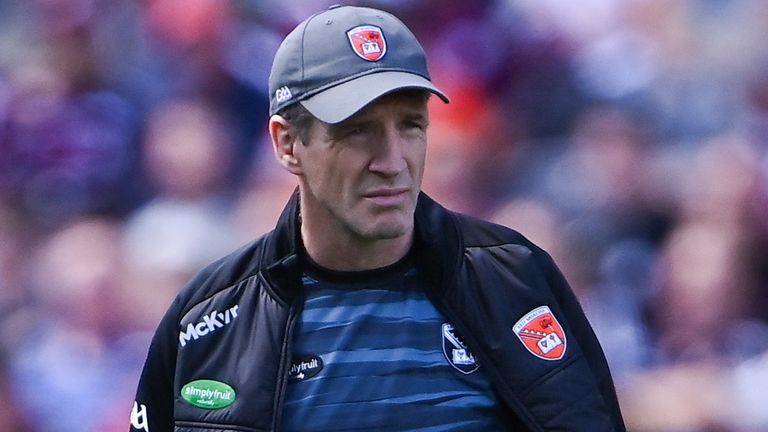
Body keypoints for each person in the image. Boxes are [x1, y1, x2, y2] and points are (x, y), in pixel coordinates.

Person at [130, 5, 625, 431]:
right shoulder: (206, 319)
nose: (392, 160)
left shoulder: (516, 281)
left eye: (410, 126)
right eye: (357, 131)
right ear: (286, 144)